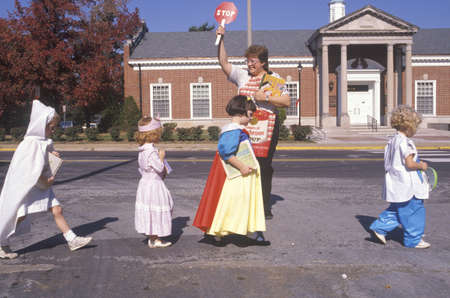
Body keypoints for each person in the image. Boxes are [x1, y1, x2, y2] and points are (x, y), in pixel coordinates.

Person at [0, 100, 92, 259]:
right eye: (51, 127)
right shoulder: (30, 143)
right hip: (29, 187)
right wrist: (46, 180)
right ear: (41, 125)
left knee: (57, 209)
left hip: (41, 185)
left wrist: (52, 156)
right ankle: (2, 241)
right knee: (18, 215)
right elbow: (29, 170)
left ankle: (72, 239)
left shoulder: (44, 142)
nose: (53, 131)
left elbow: (43, 160)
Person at [216, 25, 290, 219]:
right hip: (245, 130)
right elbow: (223, 62)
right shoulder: (241, 76)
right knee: (243, 163)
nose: (249, 65)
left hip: (267, 129)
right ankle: (244, 202)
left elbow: (286, 101)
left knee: (264, 166)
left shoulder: (273, 79)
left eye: (253, 62)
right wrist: (221, 39)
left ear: (263, 62)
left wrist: (265, 98)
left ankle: (264, 207)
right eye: (247, 61)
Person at [193, 95, 266, 241]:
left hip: (238, 174)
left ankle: (238, 230)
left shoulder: (235, 129)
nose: (251, 118)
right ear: (240, 114)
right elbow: (226, 152)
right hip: (236, 175)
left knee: (235, 202)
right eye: (250, 115)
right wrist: (242, 166)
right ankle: (222, 230)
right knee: (233, 202)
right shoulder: (234, 130)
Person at [370, 105, 431, 249]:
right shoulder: (406, 142)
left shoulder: (392, 141)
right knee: (414, 211)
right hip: (408, 184)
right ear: (409, 126)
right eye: (416, 126)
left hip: (396, 182)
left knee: (398, 208)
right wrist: (421, 166)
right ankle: (413, 239)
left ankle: (379, 227)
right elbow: (409, 164)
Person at [135, 116, 173, 248]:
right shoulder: (151, 151)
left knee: (150, 209)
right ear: (153, 134)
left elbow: (143, 168)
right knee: (159, 207)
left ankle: (152, 237)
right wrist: (162, 157)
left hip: (145, 184)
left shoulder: (142, 150)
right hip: (154, 185)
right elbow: (159, 167)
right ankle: (156, 239)